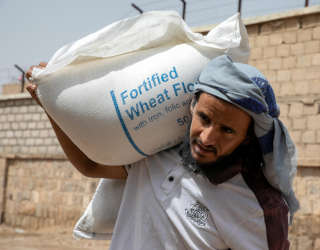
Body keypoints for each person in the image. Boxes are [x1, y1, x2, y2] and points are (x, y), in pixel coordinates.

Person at [26, 55, 299, 250]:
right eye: (204, 118)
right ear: (192, 107)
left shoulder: (258, 207)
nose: (206, 137)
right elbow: (89, 165)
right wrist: (50, 103)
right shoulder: (155, 158)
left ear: (247, 138)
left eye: (227, 130)